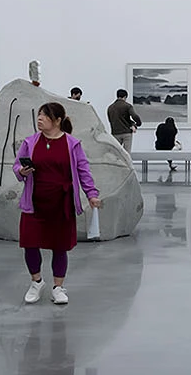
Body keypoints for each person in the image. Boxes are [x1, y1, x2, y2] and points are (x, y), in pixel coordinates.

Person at [14, 101, 100, 305]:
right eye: (39, 115)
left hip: (62, 202)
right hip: (34, 202)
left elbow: (83, 170)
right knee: (30, 243)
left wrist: (91, 194)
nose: (40, 119)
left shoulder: (72, 144)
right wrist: (22, 171)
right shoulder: (30, 142)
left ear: (58, 120)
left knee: (59, 246)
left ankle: (58, 288)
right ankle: (36, 282)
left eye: (45, 116)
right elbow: (17, 166)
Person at [107, 89, 141, 155]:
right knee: (126, 154)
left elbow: (110, 120)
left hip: (115, 133)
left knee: (116, 154)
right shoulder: (127, 106)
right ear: (125, 97)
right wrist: (137, 124)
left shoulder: (110, 107)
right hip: (126, 133)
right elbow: (134, 116)